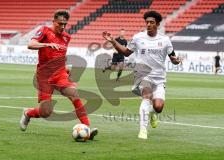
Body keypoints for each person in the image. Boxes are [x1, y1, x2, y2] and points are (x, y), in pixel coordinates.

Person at [19, 10, 98, 140]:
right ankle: (28, 113)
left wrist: (67, 71)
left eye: (64, 24)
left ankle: (87, 129)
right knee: (46, 112)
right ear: (54, 21)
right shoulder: (44, 31)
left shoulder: (67, 37)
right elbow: (30, 44)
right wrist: (47, 44)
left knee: (74, 95)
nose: (62, 26)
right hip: (44, 76)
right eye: (60, 23)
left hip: (60, 73)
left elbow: (60, 56)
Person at [102, 10, 181, 140]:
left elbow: (173, 57)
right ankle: (143, 130)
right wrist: (113, 42)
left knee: (158, 107)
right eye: (147, 22)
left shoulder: (165, 40)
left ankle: (152, 113)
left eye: (152, 22)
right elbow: (126, 52)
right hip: (143, 75)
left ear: (158, 24)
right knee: (146, 96)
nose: (149, 24)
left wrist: (176, 60)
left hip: (159, 78)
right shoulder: (138, 37)